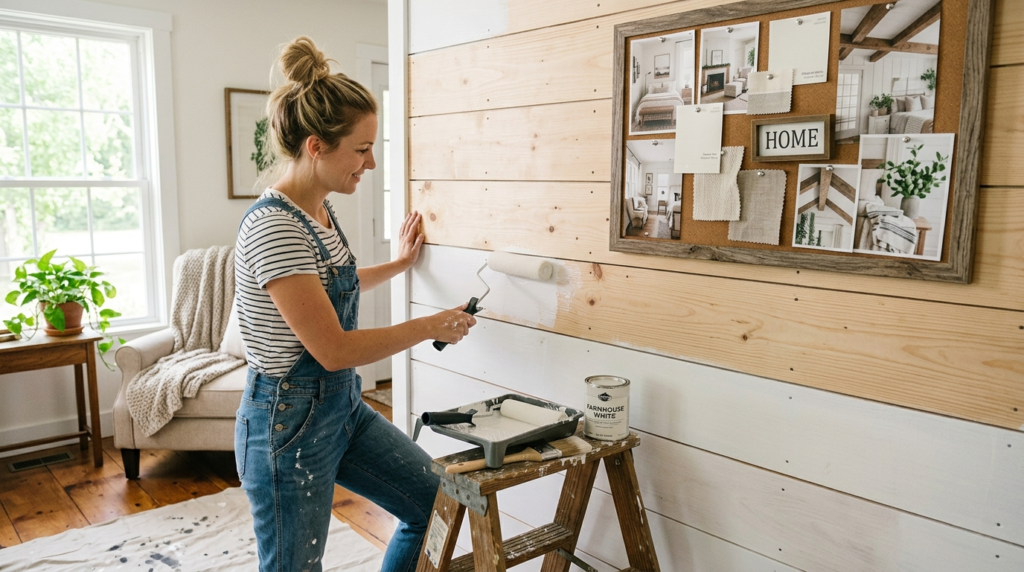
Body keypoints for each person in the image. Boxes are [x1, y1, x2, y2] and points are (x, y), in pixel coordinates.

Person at [233, 36, 476, 572]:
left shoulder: (318, 209)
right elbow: (333, 349)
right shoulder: (275, 226)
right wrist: (429, 325)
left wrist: (399, 264)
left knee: (435, 501)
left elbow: (325, 289)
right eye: (361, 149)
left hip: (342, 409)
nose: (371, 162)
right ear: (317, 146)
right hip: (287, 425)